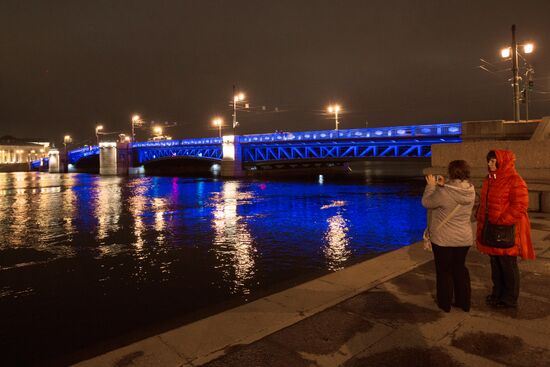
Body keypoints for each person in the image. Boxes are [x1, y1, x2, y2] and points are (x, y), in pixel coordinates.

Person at [476, 150, 535, 308]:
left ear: (504, 161)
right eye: (489, 161)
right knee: (495, 264)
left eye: (494, 161)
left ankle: (509, 298)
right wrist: (480, 217)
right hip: (491, 230)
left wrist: (502, 221)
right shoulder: (489, 180)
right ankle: (497, 293)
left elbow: (520, 206)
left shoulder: (515, 180)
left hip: (506, 230)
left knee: (508, 265)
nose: (490, 164)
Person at [422, 160, 476, 312]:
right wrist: (443, 185)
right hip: (464, 239)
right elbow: (455, 193)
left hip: (444, 239)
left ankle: (444, 304)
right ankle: (463, 302)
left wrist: (431, 186)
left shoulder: (443, 192)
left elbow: (426, 202)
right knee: (460, 270)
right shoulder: (471, 191)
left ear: (451, 172)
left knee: (444, 271)